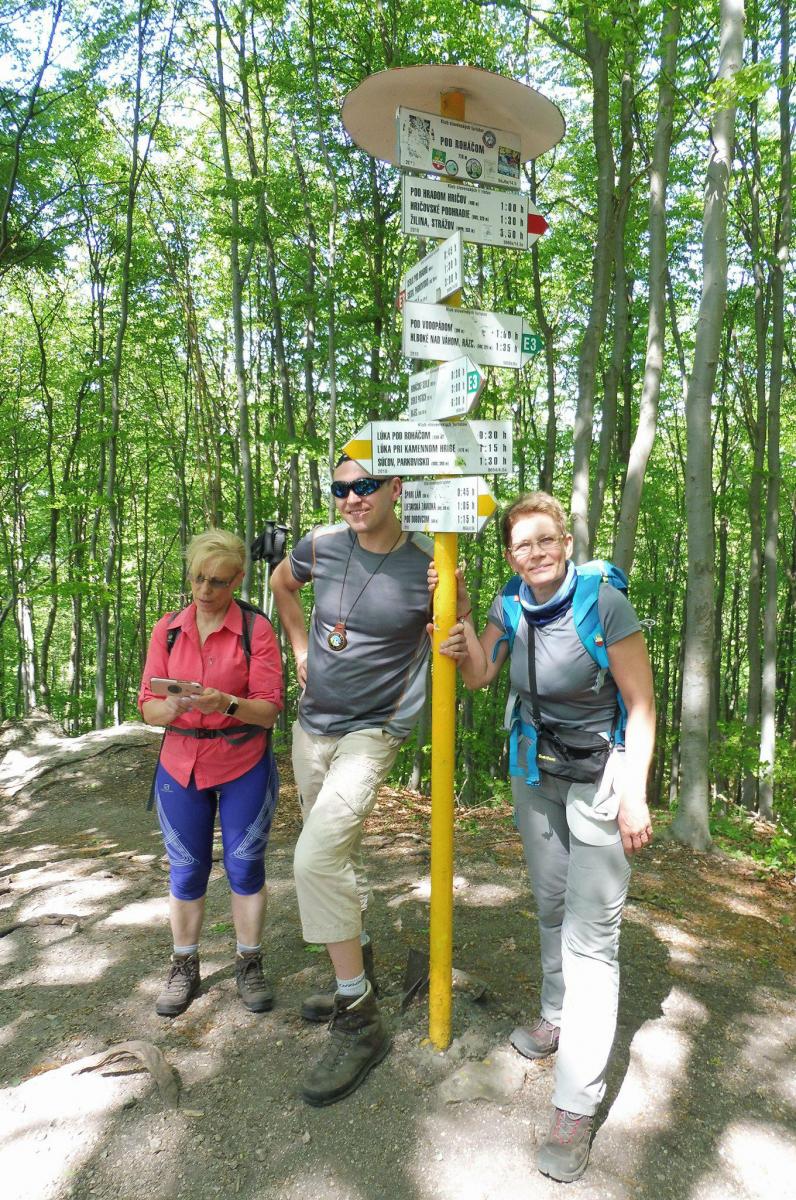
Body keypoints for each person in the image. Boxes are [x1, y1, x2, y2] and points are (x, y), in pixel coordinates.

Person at [432, 491, 655, 1184]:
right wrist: (458, 621)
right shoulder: (510, 603)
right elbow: (480, 676)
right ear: (510, 554)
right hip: (535, 771)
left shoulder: (603, 605)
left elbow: (642, 704)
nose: (535, 553)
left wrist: (635, 793)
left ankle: (574, 1105)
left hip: (600, 779)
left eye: (545, 540)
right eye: (522, 545)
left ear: (565, 541)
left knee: (593, 940)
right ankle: (556, 1015)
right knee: (552, 906)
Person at [270, 456, 433, 1107]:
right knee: (337, 858)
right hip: (312, 726)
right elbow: (282, 584)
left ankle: (359, 1018)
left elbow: (459, 636)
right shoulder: (321, 544)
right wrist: (300, 647)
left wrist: (452, 603)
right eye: (340, 488)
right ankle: (357, 968)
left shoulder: (428, 562)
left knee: (314, 858)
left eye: (364, 486)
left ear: (395, 488)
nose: (351, 498)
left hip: (374, 731)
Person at [139, 529, 283, 1017]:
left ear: (238, 579)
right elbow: (147, 706)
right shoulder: (169, 629)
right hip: (180, 762)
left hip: (243, 760)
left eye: (218, 582)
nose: (204, 590)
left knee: (244, 864)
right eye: (198, 578)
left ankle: (249, 961)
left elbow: (269, 710)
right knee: (186, 868)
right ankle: (184, 964)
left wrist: (226, 703)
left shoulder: (255, 629)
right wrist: (172, 705)